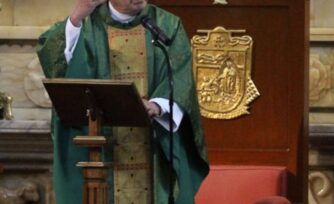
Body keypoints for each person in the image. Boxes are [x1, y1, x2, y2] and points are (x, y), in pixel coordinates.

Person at [36, 0, 209, 203]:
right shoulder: (88, 23)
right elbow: (58, 68)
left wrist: (158, 105)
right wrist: (76, 17)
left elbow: (180, 74)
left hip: (152, 144)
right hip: (100, 142)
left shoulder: (166, 24)